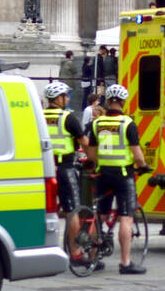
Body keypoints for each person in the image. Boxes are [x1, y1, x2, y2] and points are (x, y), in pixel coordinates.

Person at [90, 84, 150, 274]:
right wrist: (143, 166)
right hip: (123, 176)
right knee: (126, 217)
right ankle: (125, 262)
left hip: (102, 175)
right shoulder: (127, 123)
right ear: (123, 102)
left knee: (99, 215)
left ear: (108, 101)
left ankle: (92, 258)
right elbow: (138, 156)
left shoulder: (96, 123)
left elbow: (91, 154)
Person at [42, 82, 98, 269]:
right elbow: (84, 142)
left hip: (43, 169)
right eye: (66, 96)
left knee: (45, 211)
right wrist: (92, 161)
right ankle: (75, 252)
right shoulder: (68, 117)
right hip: (65, 168)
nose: (68, 99)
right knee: (71, 209)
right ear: (59, 98)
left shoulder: (38, 116)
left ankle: (44, 249)